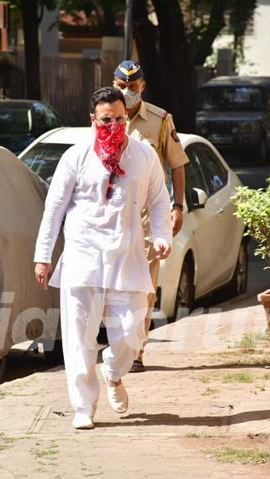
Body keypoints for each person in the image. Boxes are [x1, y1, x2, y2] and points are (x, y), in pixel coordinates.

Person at [33, 87, 172, 430]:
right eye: (106, 119)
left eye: (120, 119)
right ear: (93, 120)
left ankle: (113, 372)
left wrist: (162, 236)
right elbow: (54, 210)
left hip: (127, 258)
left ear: (127, 118)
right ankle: (83, 407)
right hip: (83, 258)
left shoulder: (143, 155)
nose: (114, 125)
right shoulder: (76, 156)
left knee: (130, 335)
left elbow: (158, 200)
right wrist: (43, 255)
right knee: (79, 339)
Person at [113, 60, 188, 373]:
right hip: (111, 214)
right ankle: (116, 343)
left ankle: (136, 351)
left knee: (144, 287)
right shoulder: (106, 117)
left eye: (133, 87)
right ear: (113, 84)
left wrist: (178, 206)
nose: (127, 92)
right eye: (122, 86)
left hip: (146, 216)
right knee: (113, 285)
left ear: (142, 86)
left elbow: (177, 164)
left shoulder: (160, 120)